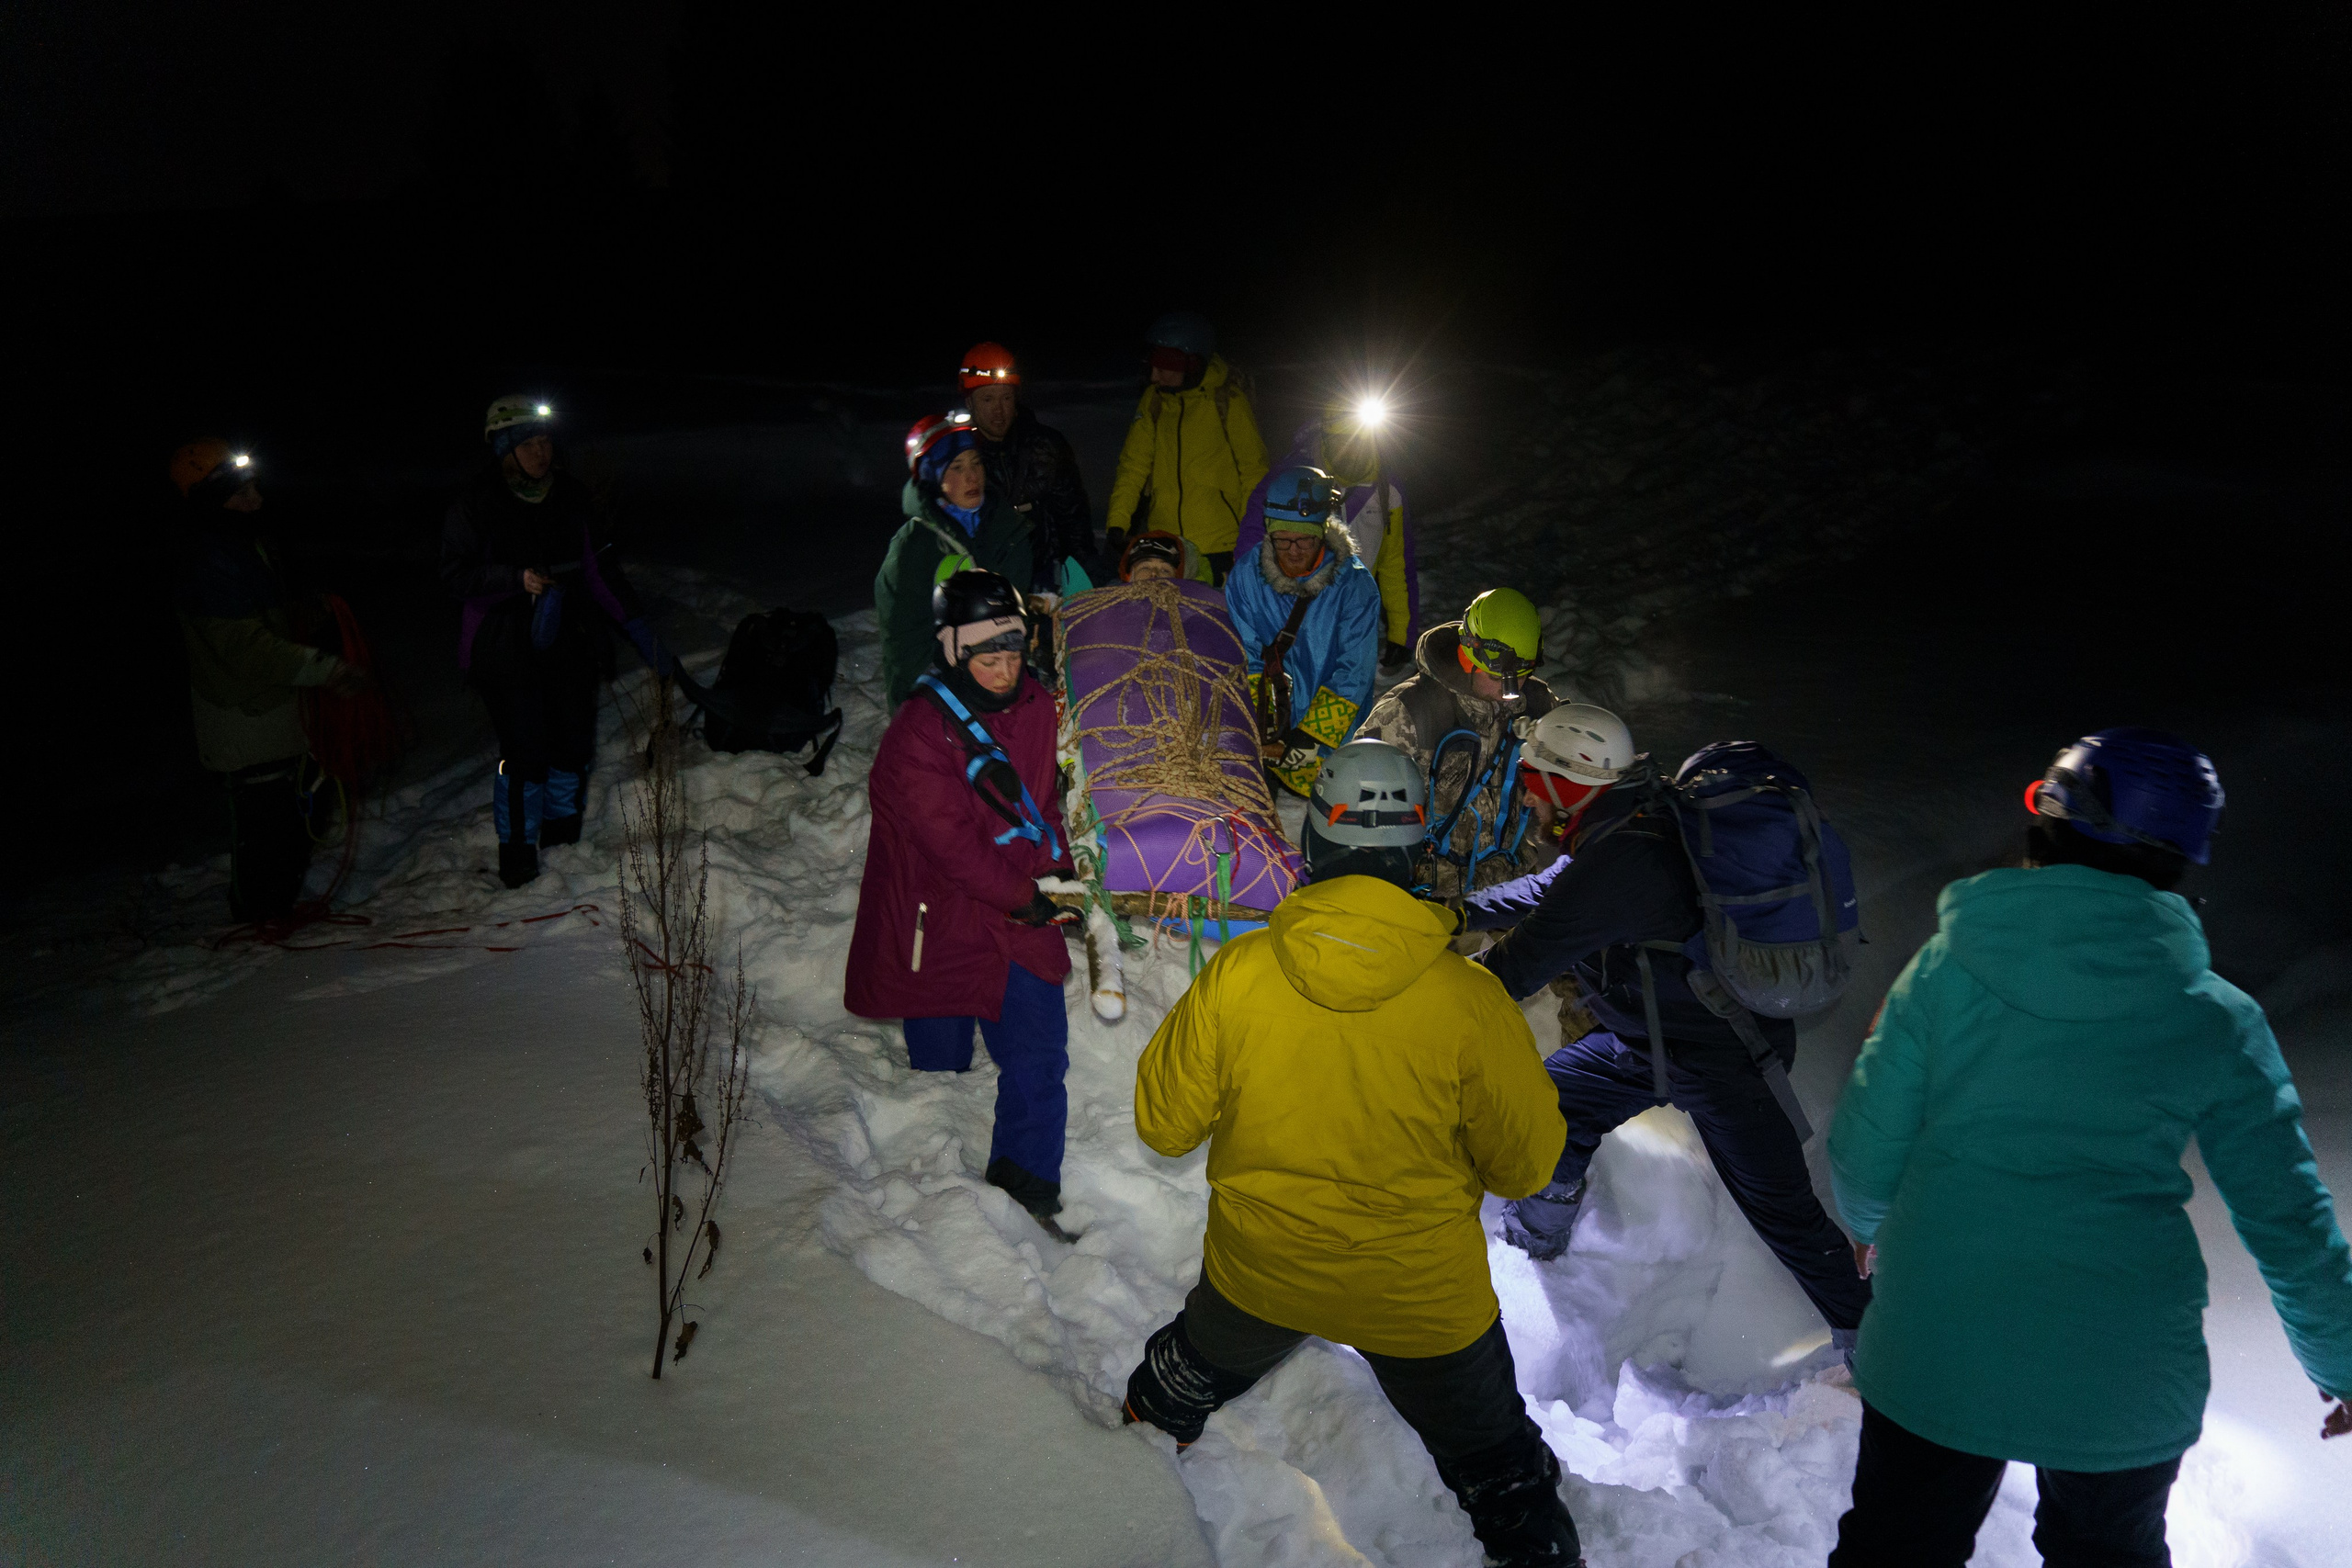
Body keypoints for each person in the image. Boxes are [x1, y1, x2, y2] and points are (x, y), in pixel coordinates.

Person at [1826, 728, 2352, 1568]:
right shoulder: (2214, 1017)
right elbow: (2289, 1220)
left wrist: (1863, 1216)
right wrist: (2343, 1359)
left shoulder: (1946, 967)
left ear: (2052, 821)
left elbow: (1866, 1139)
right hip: (2124, 1377)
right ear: (2181, 859)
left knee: (1898, 1547)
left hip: (1938, 1346)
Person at [1122, 739, 1584, 1568]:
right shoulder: (1468, 1000)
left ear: (1314, 844)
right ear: (1414, 854)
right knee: (1503, 1473)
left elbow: (1163, 1124)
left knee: (1174, 1380)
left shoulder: (1243, 971)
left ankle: (1137, 1436)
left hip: (1262, 1274)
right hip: (1421, 1302)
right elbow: (1526, 1166)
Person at [1462, 723, 1874, 1363]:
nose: (1526, 795)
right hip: (1655, 1044)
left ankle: (1871, 1343)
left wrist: (1418, 968)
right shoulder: (1631, 820)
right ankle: (1535, 1236)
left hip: (1724, 1059)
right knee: (1559, 1098)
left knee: (1784, 1214)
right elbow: (1556, 892)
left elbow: (1514, 968)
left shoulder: (1624, 859)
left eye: (1531, 779)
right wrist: (1459, 911)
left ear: (1564, 784)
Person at [844, 570, 1079, 1237]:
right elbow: (947, 844)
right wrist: (1025, 895)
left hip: (1015, 909)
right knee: (940, 1065)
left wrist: (1057, 874)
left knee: (1039, 1052)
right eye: (987, 656)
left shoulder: (1033, 703)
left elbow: (1039, 806)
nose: (1005, 669)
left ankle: (1027, 1190)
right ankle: (933, 1204)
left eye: (1013, 651)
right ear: (953, 650)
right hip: (940, 915)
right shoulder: (921, 731)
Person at [442, 395, 673, 889]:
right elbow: (454, 574)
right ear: (505, 448)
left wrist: (639, 630)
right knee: (525, 753)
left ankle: (562, 838)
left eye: (547, 441)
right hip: (503, 647)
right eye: (529, 443)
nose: (542, 452)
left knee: (572, 745)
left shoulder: (570, 496)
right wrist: (511, 577)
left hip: (568, 639)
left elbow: (597, 571)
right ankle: (519, 854)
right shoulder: (476, 504)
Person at [171, 440, 362, 922]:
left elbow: (267, 625)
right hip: (243, 720)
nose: (256, 500)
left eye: (255, 487)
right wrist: (325, 668)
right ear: (211, 501)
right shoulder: (206, 561)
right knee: (265, 824)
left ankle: (273, 909)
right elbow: (245, 648)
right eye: (241, 494)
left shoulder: (245, 547)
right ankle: (257, 917)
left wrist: (307, 612)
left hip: (277, 714)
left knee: (300, 813)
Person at [1359, 587, 1557, 904]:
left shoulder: (1536, 705)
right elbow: (1360, 814)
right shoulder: (1408, 713)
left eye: (1521, 677)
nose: (1510, 691)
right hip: (1428, 895)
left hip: (1511, 889)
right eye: (1498, 678)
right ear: (1468, 656)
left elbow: (1579, 770)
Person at [1223, 467, 1382, 797]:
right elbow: (1244, 658)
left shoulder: (1355, 587)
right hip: (1268, 749)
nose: (1294, 550)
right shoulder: (1246, 579)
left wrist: (1313, 737)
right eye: (1282, 540)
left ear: (1323, 532)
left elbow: (1354, 672)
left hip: (1331, 753)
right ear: (1268, 533)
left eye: (1305, 539)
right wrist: (1264, 730)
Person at [876, 413, 1035, 710]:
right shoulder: (913, 547)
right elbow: (904, 644)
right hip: (946, 690)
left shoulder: (1007, 530)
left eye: (976, 463)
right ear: (933, 477)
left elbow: (1020, 615)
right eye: (957, 467)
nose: (973, 476)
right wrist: (916, 709)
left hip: (1005, 675)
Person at [1238, 406, 1419, 667]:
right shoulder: (1291, 480)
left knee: (1346, 701)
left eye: (1360, 440)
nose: (1352, 449)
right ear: (1326, 437)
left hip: (1353, 623)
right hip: (1294, 624)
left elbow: (1396, 563)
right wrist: (1262, 616)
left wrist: (1402, 635)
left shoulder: (1387, 490)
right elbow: (1251, 547)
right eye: (1342, 440)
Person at [1103, 312, 1267, 584]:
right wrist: (1117, 524)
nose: (1154, 376)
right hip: (1166, 545)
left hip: (1220, 545)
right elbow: (1134, 466)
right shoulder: (1153, 401)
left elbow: (1254, 472)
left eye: (1164, 366)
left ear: (1191, 364)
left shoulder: (1227, 401)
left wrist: (1248, 538)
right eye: (1152, 365)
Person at [959, 341, 1102, 588]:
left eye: (1006, 397)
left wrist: (1082, 577)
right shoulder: (959, 456)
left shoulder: (1046, 445)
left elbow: (1073, 516)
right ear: (970, 403)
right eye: (988, 399)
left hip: (1044, 576)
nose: (999, 410)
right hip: (985, 580)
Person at [1114, 528, 1212, 585]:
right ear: (1130, 576)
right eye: (1145, 568)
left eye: (1165, 570)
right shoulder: (1109, 611)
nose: (1154, 574)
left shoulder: (1193, 616)